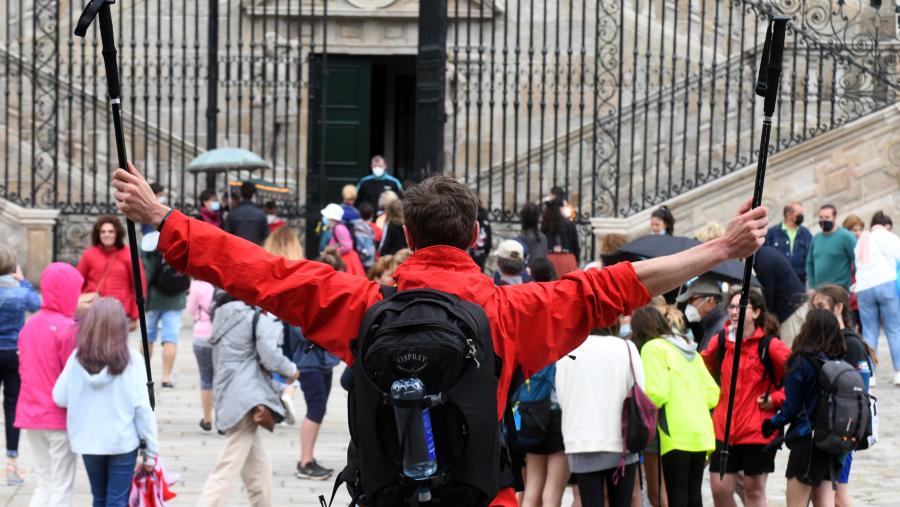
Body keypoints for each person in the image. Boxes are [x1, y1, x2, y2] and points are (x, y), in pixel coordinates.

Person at [112, 161, 768, 507]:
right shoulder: (513, 313)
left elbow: (261, 272)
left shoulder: (361, 306)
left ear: (410, 236)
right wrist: (720, 250)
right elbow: (614, 286)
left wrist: (165, 218)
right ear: (475, 236)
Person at [52, 298, 159, 507]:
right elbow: (144, 410)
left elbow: (59, 397)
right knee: (117, 500)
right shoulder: (132, 360)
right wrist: (151, 454)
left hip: (88, 440)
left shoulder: (77, 358)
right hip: (122, 441)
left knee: (99, 498)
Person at [200, 287, 299, 506]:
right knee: (226, 468)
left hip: (229, 392)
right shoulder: (253, 318)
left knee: (259, 470)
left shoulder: (220, 316)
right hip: (248, 397)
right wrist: (291, 370)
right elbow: (271, 356)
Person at [702, 288, 790, 507]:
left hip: (757, 430)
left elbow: (799, 378)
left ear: (757, 312)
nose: (734, 312)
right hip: (724, 428)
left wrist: (776, 398)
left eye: (740, 307)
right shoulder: (720, 341)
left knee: (754, 491)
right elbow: (702, 367)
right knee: (719, 489)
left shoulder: (771, 346)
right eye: (731, 307)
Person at [761, 309, 848, 507]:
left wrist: (771, 423)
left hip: (806, 442)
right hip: (831, 442)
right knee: (824, 504)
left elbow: (791, 408)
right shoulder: (837, 361)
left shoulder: (800, 362)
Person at [635, 305, 719, 507]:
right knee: (693, 494)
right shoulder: (690, 349)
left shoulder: (652, 348)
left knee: (677, 495)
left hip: (675, 431)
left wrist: (638, 408)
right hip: (700, 431)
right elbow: (713, 394)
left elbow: (657, 392)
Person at [556, 318, 642, 507]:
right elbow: (640, 390)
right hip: (621, 440)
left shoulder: (569, 352)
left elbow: (562, 395)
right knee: (622, 502)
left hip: (580, 439)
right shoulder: (626, 347)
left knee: (590, 501)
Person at [14, 263, 82, 503]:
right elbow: (73, 376)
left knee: (44, 482)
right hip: (58, 415)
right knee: (62, 486)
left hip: (31, 412)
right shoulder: (67, 328)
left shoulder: (29, 325)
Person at [809, 284, 873, 506]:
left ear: (838, 308)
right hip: (825, 431)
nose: (816, 311)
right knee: (825, 495)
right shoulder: (823, 342)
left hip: (841, 433)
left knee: (838, 497)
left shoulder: (851, 344)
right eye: (814, 306)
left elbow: (859, 395)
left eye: (821, 306)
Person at [514, 258, 570, 507]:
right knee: (552, 493)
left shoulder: (527, 326)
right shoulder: (562, 330)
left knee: (532, 486)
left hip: (531, 410)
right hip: (557, 412)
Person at [0, 248, 41, 485]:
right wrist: (24, 281)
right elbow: (36, 304)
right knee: (12, 407)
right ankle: (12, 463)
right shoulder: (20, 292)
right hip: (13, 352)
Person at [853, 210, 900, 384]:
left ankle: (870, 375)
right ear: (885, 225)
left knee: (869, 332)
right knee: (894, 330)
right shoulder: (889, 237)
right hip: (886, 283)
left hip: (864, 288)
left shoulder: (862, 240)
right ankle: (898, 372)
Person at [76, 215, 146, 323]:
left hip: (119, 311)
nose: (106, 235)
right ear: (98, 234)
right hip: (93, 310)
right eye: (103, 232)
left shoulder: (129, 254)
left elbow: (139, 286)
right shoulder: (89, 254)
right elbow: (78, 281)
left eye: (110, 231)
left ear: (117, 233)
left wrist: (135, 315)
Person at [140, 234, 187, 388]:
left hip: (153, 298)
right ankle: (166, 378)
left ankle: (142, 374)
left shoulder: (147, 243)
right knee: (170, 338)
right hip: (175, 299)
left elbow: (144, 272)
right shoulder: (180, 242)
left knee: (147, 338)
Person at [187, 277, 216, 432]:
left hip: (201, 336)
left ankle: (207, 419)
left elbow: (191, 309)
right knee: (223, 379)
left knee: (206, 379)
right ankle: (224, 418)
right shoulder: (221, 282)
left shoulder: (197, 284)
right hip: (221, 335)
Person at [806, 204, 856, 290]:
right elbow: (809, 263)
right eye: (821, 217)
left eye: (827, 217)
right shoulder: (816, 239)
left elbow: (857, 259)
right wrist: (812, 285)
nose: (823, 220)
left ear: (835, 217)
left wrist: (856, 284)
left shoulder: (846, 237)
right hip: (820, 290)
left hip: (840, 289)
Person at [754, 245, 807, 325]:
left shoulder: (763, 260)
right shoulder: (764, 254)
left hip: (791, 313)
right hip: (794, 307)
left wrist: (764, 319)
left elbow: (768, 295)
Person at [765, 202, 813, 285]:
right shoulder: (772, 233)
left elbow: (811, 256)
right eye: (800, 213)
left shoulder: (806, 233)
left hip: (799, 282)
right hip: (776, 282)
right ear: (789, 215)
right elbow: (764, 257)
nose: (802, 216)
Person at [676, 276, 726, 350]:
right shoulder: (705, 324)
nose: (689, 304)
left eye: (692, 300)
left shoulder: (722, 328)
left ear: (710, 300)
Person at [321, 203, 367, 277]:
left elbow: (348, 246)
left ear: (332, 218)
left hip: (347, 259)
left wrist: (334, 251)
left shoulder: (339, 228)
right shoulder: (335, 228)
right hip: (344, 257)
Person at [541, 194, 580, 274]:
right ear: (561, 208)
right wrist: (577, 260)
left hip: (549, 259)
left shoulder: (545, 224)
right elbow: (575, 245)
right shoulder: (569, 223)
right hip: (568, 258)